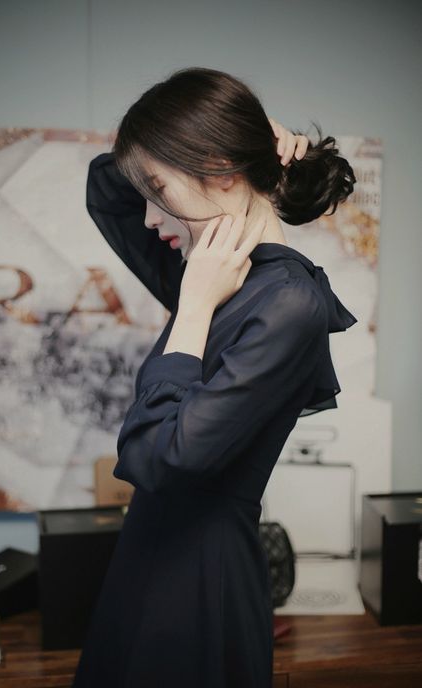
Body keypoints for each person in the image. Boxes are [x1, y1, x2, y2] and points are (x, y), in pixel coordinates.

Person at [71, 67, 358, 688]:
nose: (149, 218)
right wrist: (235, 143)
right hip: (147, 560)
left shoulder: (286, 303)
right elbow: (105, 190)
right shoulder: (215, 272)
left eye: (158, 190)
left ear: (221, 169)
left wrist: (195, 307)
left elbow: (158, 458)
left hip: (199, 583)